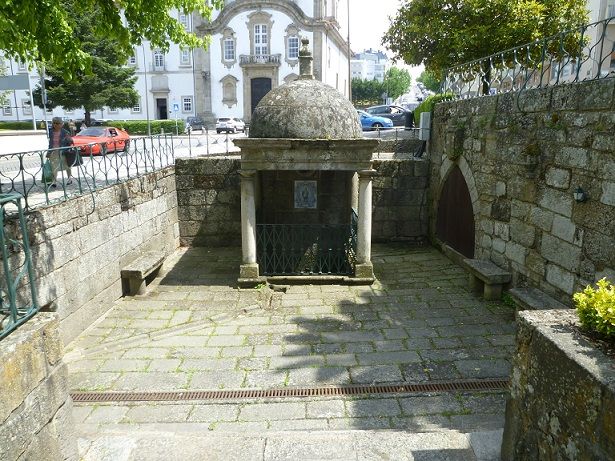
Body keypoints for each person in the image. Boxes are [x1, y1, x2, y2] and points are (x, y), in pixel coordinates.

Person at [46, 116, 74, 187]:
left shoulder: (65, 132)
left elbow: (71, 142)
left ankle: (69, 179)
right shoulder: (51, 131)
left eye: (58, 123)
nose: (56, 125)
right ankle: (54, 181)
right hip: (53, 151)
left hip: (63, 151)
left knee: (67, 166)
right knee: (53, 167)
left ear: (61, 124)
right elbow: (50, 142)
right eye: (54, 123)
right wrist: (48, 152)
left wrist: (69, 139)